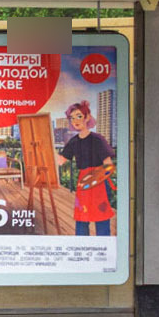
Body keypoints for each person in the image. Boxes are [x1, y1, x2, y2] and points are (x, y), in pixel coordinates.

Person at [59, 101, 115, 236]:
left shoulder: (98, 139)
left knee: (101, 220)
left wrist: (94, 179)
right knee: (81, 220)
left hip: (100, 181)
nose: (75, 120)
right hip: (83, 183)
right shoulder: (73, 141)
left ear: (87, 117)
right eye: (72, 118)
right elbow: (60, 161)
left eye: (78, 116)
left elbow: (108, 166)